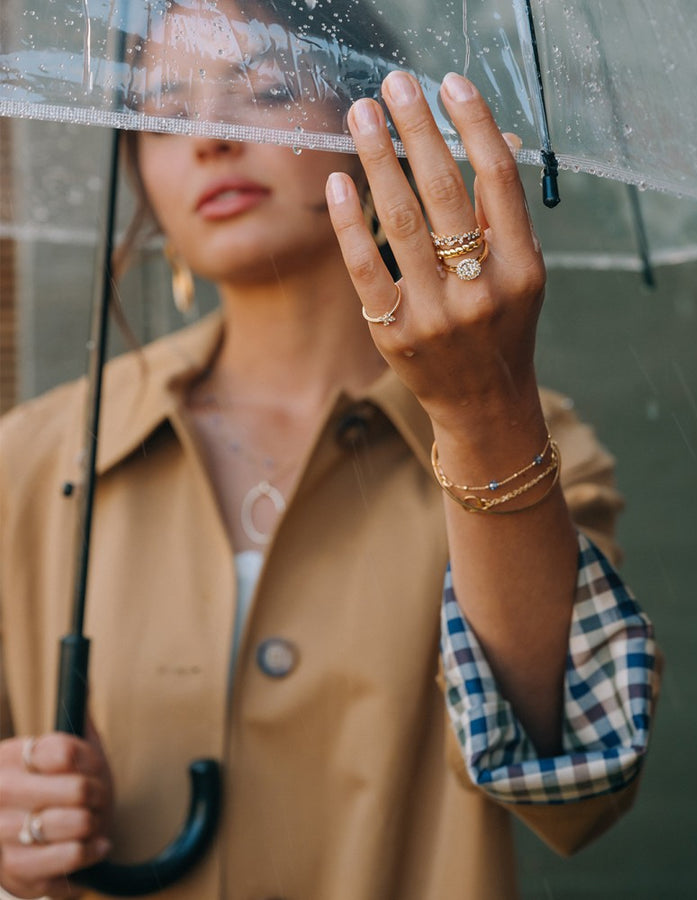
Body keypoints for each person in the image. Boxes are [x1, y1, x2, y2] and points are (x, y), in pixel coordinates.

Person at [0, 2, 659, 898]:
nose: (208, 141)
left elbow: (576, 783)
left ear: (375, 127)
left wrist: (479, 413)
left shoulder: (529, 438)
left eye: (269, 88)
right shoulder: (34, 463)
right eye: (159, 108)